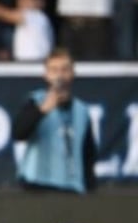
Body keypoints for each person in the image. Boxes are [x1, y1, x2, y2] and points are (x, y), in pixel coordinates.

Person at [12, 49, 96, 194]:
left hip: (71, 187)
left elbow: (88, 153)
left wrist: (89, 187)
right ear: (46, 75)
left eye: (65, 70)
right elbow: (19, 133)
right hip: (37, 185)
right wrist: (41, 111)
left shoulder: (81, 110)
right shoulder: (35, 101)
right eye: (54, 70)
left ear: (72, 73)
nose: (59, 75)